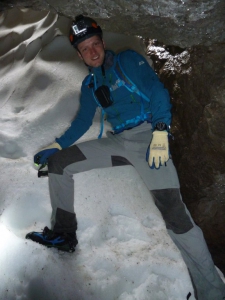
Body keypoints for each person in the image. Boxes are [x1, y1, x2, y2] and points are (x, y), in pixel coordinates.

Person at [26, 14, 225, 300]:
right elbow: (82, 122)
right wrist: (57, 146)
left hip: (148, 140)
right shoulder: (90, 85)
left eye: (95, 44)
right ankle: (64, 234)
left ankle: (213, 292)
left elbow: (157, 90)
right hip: (118, 142)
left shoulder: (128, 61)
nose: (92, 51)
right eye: (85, 48)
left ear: (103, 43)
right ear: (80, 55)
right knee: (60, 164)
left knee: (177, 217)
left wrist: (159, 130)